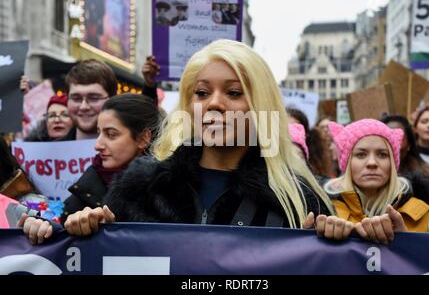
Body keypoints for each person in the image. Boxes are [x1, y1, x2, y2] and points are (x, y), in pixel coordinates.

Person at [29, 39, 336, 241]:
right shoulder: (139, 188)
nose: (214, 104)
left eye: (233, 92)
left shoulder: (301, 201)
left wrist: (348, 240)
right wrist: (63, 232)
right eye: (201, 93)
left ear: (260, 105)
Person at [19, 94, 161, 242]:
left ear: (143, 138)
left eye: (111, 134)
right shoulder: (88, 185)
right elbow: (58, 221)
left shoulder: (169, 192)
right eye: (99, 133)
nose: (97, 145)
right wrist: (42, 225)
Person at [324, 119, 429, 244]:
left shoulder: (423, 215)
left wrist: (404, 242)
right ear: (347, 164)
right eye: (361, 155)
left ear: (392, 163)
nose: (372, 163)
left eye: (382, 155)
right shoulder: (325, 212)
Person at [382, 115, 429, 205]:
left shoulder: (423, 179)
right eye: (386, 139)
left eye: (398, 138)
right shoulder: (370, 177)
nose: (391, 145)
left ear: (409, 145)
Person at [64, 59, 117, 141]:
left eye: (94, 98)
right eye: (76, 98)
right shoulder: (50, 151)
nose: (83, 107)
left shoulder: (133, 151)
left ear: (112, 99)